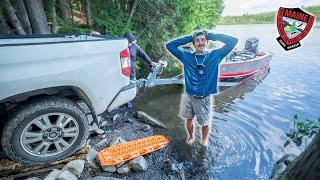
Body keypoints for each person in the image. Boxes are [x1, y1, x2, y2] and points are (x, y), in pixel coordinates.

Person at [166, 30, 238, 146]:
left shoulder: (215, 55)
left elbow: (233, 41)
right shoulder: (186, 56)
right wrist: (189, 38)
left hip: (204, 99)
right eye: (197, 41)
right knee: (188, 119)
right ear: (193, 44)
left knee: (204, 123)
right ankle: (191, 136)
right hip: (189, 96)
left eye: (203, 40)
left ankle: (204, 140)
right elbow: (170, 46)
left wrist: (212, 36)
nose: (200, 43)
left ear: (207, 42)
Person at [123, 32, 157, 108]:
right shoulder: (121, 47)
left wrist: (150, 62)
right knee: (123, 86)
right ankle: (121, 100)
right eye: (129, 42)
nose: (130, 44)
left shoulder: (134, 46)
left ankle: (128, 101)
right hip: (121, 71)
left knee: (132, 86)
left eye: (131, 42)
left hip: (131, 71)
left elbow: (143, 55)